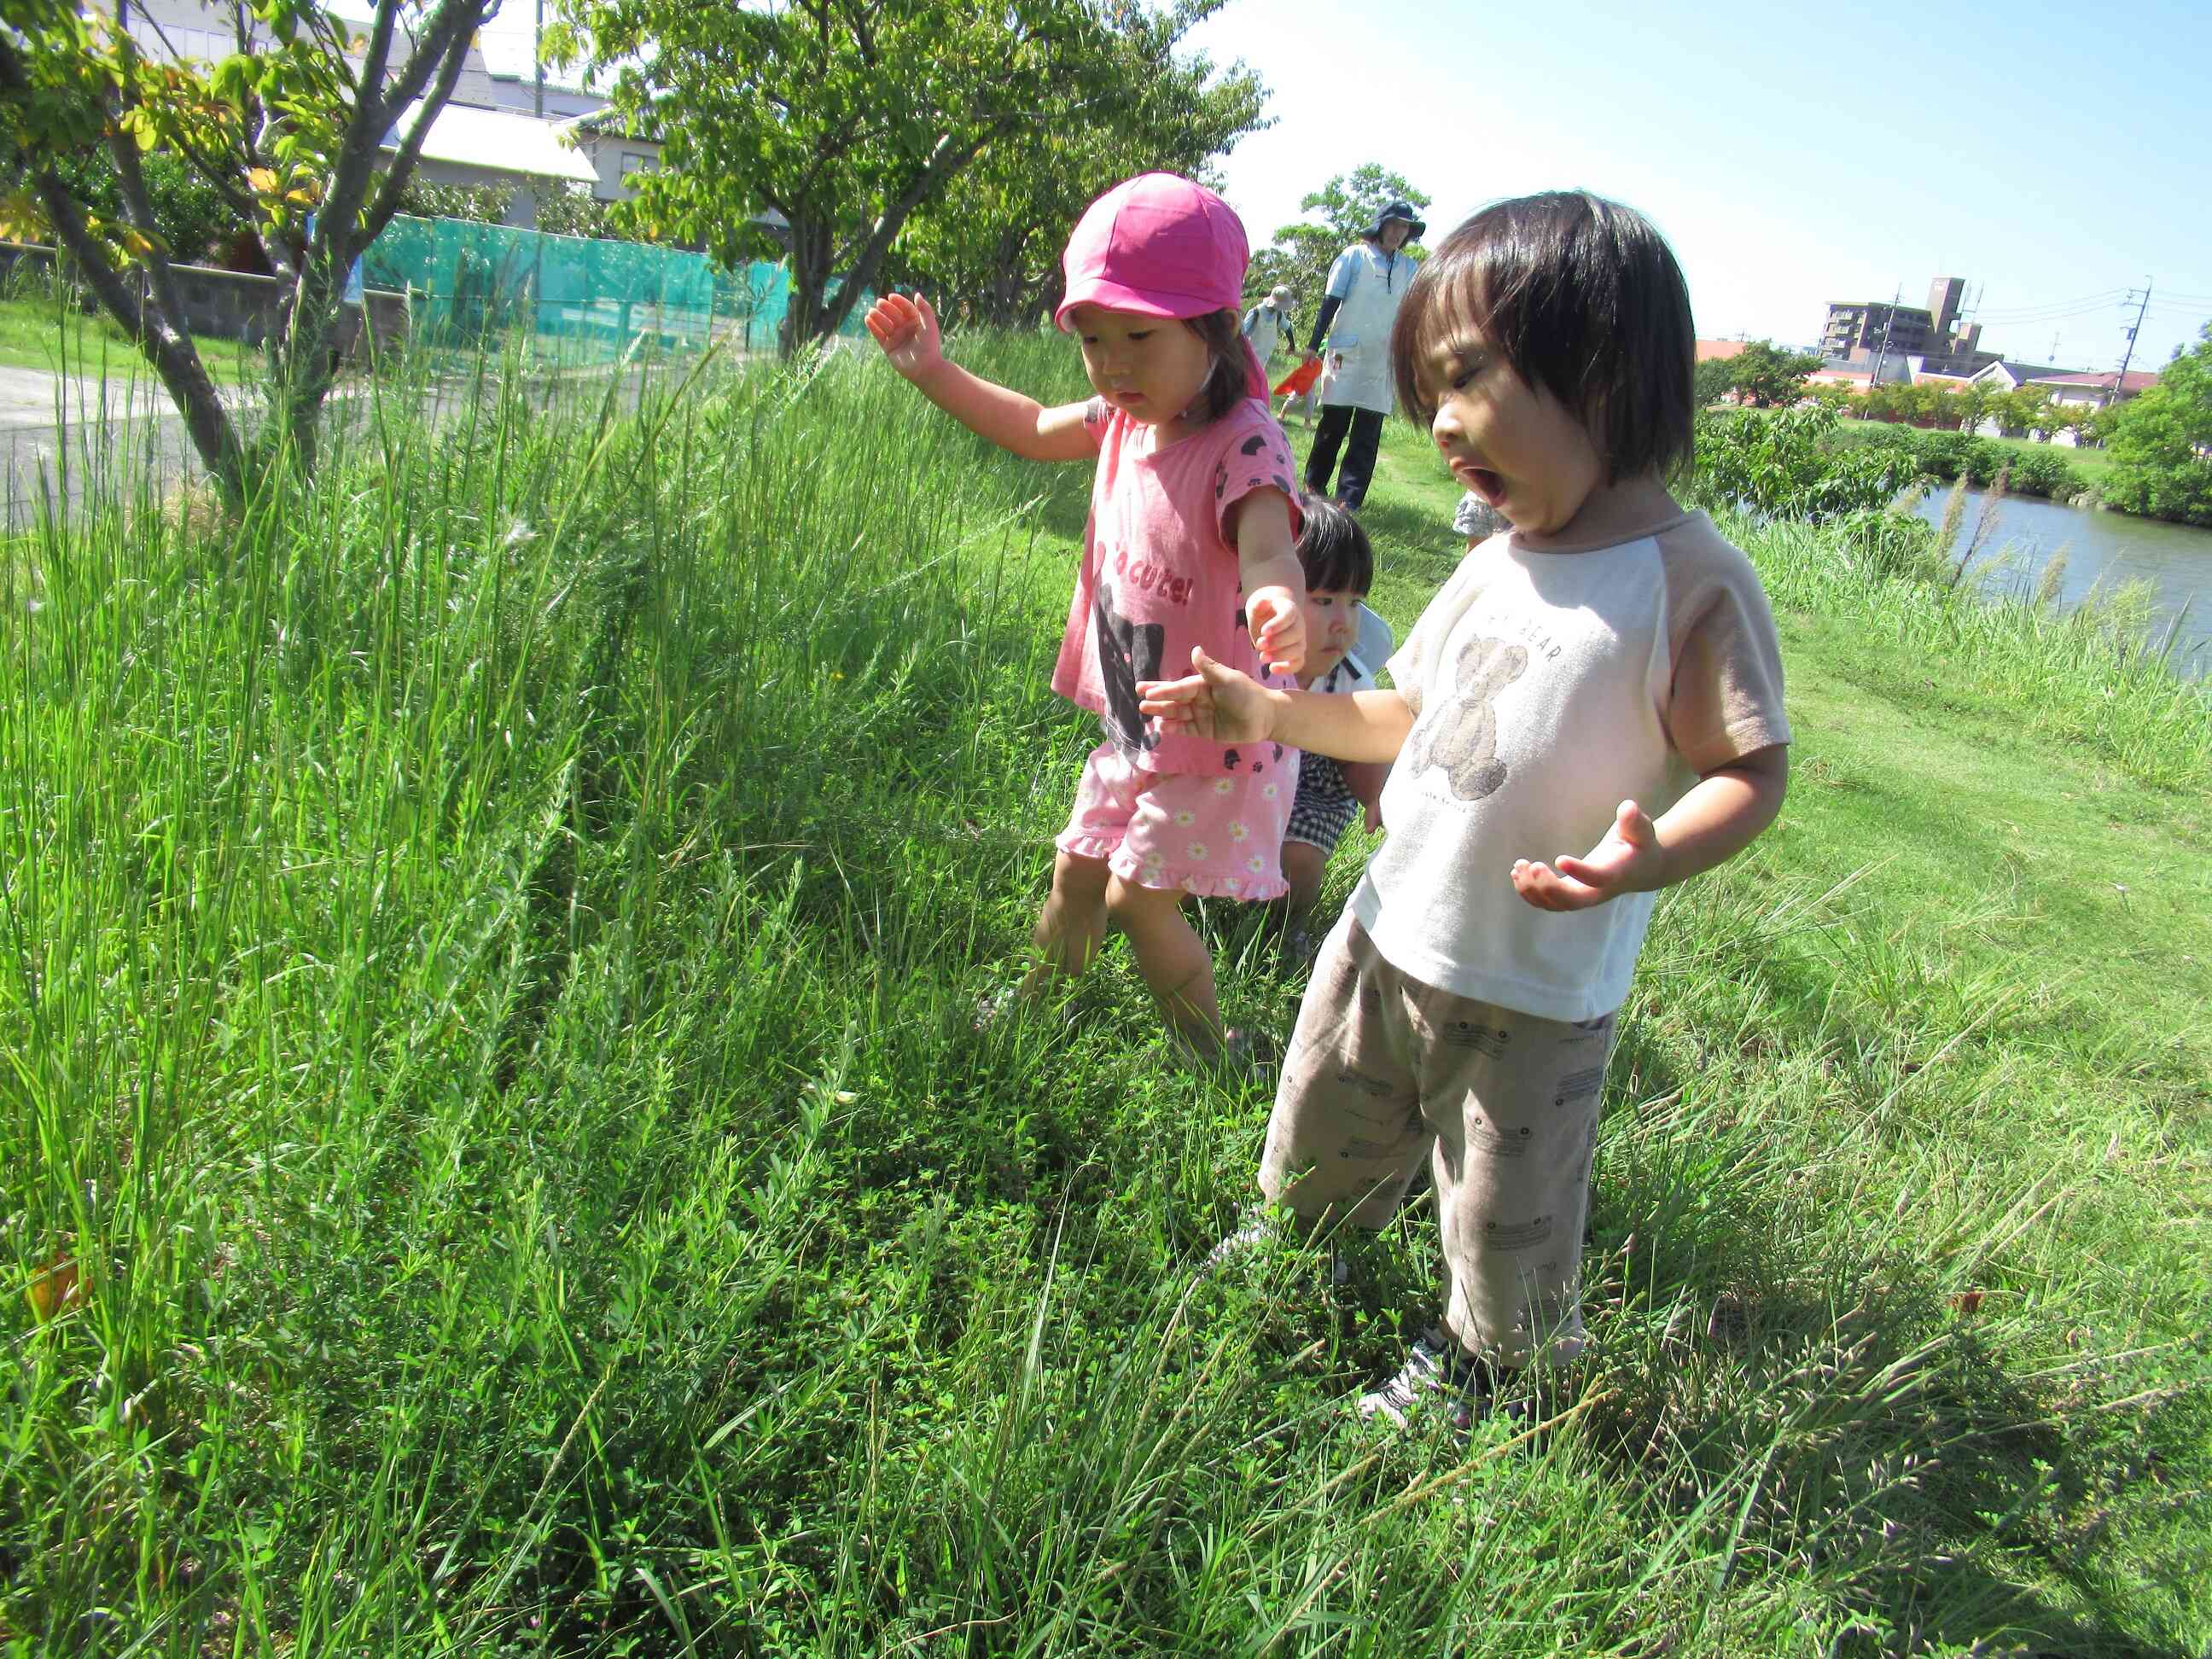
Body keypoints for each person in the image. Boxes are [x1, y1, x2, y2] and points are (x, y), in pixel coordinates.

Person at [1140, 192, 1792, 1429]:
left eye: (1466, 380)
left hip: (1534, 986)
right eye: (1424, 391)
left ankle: (1485, 1366)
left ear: (1597, 367)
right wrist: (1274, 715)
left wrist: (1644, 859)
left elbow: (1750, 771)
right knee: (1323, 1116)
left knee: (1508, 1200)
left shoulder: (1691, 582)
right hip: (1389, 931)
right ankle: (1296, 1246)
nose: (1436, 422)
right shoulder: (1496, 556)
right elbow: (1407, 716)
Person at [863, 172, 1308, 1062]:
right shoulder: (1119, 419)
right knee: (1076, 869)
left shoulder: (1243, 440)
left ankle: (1208, 1050)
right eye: (1093, 339)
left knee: (1134, 900)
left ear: (1215, 328)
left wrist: (1276, 596)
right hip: (1136, 724)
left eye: (1140, 336)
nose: (1112, 363)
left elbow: (1266, 539)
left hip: (1215, 737)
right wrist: (933, 370)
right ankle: (1036, 1005)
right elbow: (1029, 426)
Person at [1278, 499, 1391, 940]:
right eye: (1324, 600)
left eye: (1355, 603)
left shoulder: (1348, 681)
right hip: (1244, 771)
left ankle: (1285, 931)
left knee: (1299, 858)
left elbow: (1364, 747)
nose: (1343, 622)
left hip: (1317, 782)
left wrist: (1378, 796)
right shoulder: (1248, 662)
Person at [1302, 200, 1426, 509]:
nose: (1398, 233)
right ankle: (1312, 490)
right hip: (1346, 353)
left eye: (1404, 227)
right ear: (1381, 225)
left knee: (1367, 435)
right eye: (1394, 225)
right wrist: (1313, 345)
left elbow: (1414, 315)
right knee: (1333, 427)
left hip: (1383, 359)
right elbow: (1330, 303)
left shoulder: (1410, 268)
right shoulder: (1353, 257)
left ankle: (1349, 501)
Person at [1241, 283, 1297, 369]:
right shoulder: (1255, 313)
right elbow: (1241, 335)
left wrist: (1292, 346)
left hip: (1264, 359)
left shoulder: (1278, 314)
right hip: (1248, 359)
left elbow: (1287, 328)